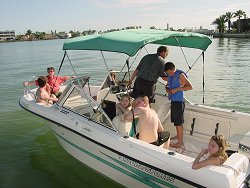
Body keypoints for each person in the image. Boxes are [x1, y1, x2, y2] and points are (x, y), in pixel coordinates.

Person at [164, 62, 193, 148]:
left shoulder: (180, 75)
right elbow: (167, 85)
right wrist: (167, 89)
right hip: (173, 101)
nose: (169, 74)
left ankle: (180, 142)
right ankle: (178, 136)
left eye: (170, 72)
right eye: (168, 73)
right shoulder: (170, 76)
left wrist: (177, 89)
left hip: (179, 101)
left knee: (178, 122)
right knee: (176, 121)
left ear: (173, 69)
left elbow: (190, 87)